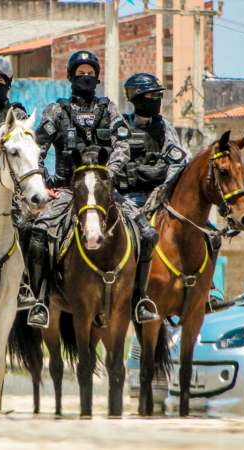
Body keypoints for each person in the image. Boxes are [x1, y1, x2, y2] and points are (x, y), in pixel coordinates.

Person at [26, 50, 133, 328]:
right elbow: (36, 148)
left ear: (97, 78)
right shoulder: (56, 110)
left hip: (103, 191)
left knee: (144, 229)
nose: (85, 78)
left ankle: (141, 297)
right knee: (38, 233)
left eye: (90, 74)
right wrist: (43, 181)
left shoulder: (109, 109)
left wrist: (109, 174)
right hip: (66, 190)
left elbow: (123, 144)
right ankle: (39, 300)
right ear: (71, 76)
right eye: (80, 73)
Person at [118, 72, 190, 323]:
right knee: (141, 237)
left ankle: (205, 289)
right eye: (151, 96)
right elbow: (112, 166)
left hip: (159, 197)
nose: (156, 100)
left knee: (203, 232)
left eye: (159, 96)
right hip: (128, 199)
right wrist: (134, 172)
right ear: (136, 98)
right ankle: (137, 295)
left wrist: (163, 181)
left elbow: (180, 161)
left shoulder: (164, 127)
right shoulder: (121, 128)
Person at [0, 56, 36, 311]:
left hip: (14, 191)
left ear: (8, 83)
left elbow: (29, 154)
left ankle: (26, 286)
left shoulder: (19, 114)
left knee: (32, 231)